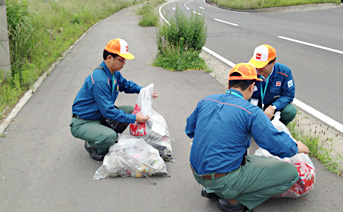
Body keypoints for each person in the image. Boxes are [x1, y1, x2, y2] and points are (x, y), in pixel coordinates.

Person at [185, 63, 309, 212]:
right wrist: (296, 147)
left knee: (245, 156)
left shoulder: (206, 101)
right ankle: (233, 201)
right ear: (251, 87)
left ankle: (211, 189)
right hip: (223, 177)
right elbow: (276, 145)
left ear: (229, 84)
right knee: (290, 174)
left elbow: (190, 130)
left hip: (196, 172)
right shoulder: (251, 112)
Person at [70, 38, 157, 161]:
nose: (124, 63)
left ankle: (101, 133)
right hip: (84, 122)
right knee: (110, 137)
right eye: (121, 60)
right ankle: (94, 145)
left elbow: (125, 85)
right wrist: (135, 119)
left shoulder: (112, 72)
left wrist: (143, 90)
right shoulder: (100, 79)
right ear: (109, 58)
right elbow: (108, 111)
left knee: (131, 111)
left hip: (99, 115)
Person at [249, 44, 297, 125]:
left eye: (261, 66)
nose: (257, 68)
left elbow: (288, 95)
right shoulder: (249, 70)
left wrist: (273, 107)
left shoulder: (284, 72)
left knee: (290, 111)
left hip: (273, 105)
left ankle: (275, 127)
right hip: (254, 105)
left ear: (273, 63)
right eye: (256, 64)